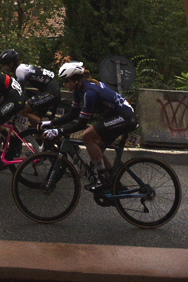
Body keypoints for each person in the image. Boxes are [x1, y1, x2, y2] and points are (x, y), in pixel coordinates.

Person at [43, 61, 137, 189]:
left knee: (87, 136)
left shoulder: (90, 92)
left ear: (75, 79)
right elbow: (72, 114)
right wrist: (50, 123)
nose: (64, 84)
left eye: (66, 81)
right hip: (115, 117)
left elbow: (82, 123)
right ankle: (114, 183)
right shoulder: (78, 90)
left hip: (126, 118)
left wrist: (58, 131)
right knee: (97, 148)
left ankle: (102, 179)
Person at [0, 49, 60, 132]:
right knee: (31, 112)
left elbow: (16, 90)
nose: (3, 68)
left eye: (4, 65)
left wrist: (2, 97)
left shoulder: (19, 71)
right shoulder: (22, 68)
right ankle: (39, 138)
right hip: (51, 89)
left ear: (11, 64)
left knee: (23, 110)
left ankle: (44, 130)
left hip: (51, 92)